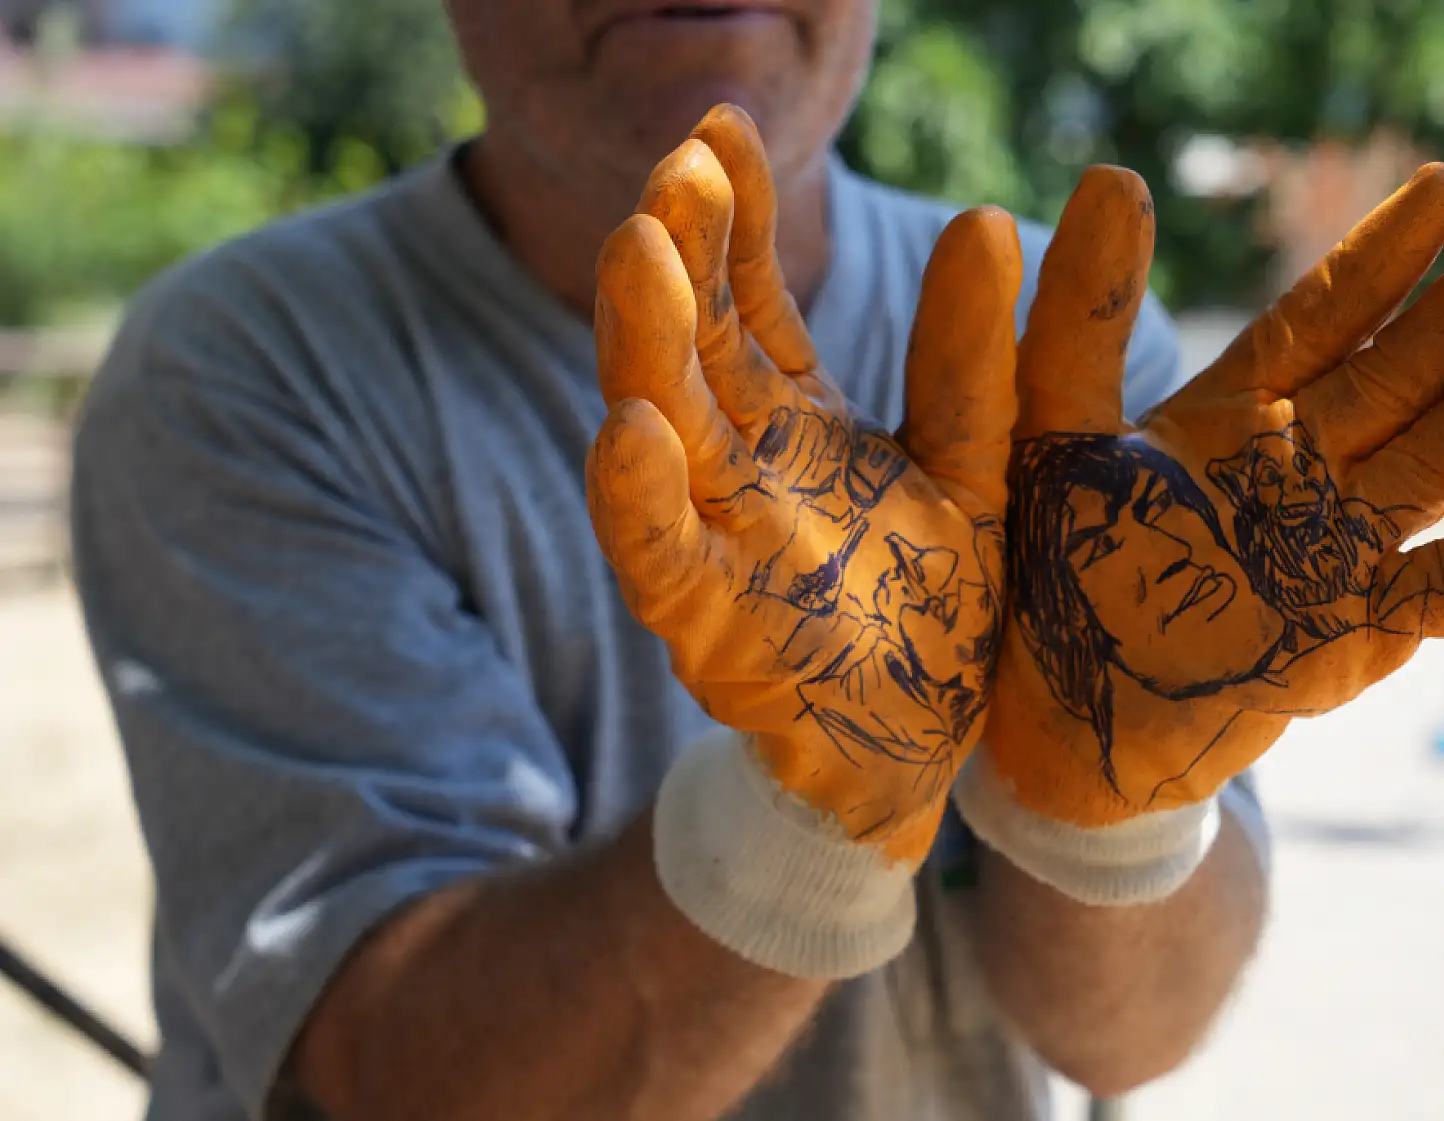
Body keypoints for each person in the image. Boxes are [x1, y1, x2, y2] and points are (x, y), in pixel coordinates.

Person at [71, 3, 1272, 1120]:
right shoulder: (254, 367)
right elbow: (395, 1071)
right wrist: (814, 810)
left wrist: (1110, 811)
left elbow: (1130, 1034)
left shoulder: (1061, 336)